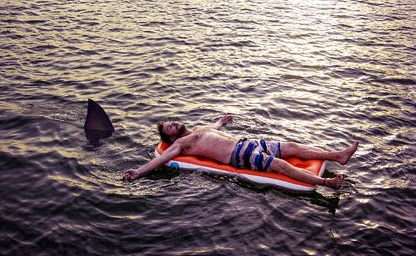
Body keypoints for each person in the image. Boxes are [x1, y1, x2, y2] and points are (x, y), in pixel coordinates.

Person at [124, 115, 358, 189]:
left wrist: (221, 121)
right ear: (171, 137)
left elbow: (214, 129)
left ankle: (338, 156)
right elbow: (163, 158)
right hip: (239, 155)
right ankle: (327, 184)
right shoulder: (180, 145)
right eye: (170, 127)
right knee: (281, 165)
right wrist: (139, 172)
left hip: (249, 141)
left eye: (172, 121)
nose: (174, 123)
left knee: (293, 147)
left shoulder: (198, 129)